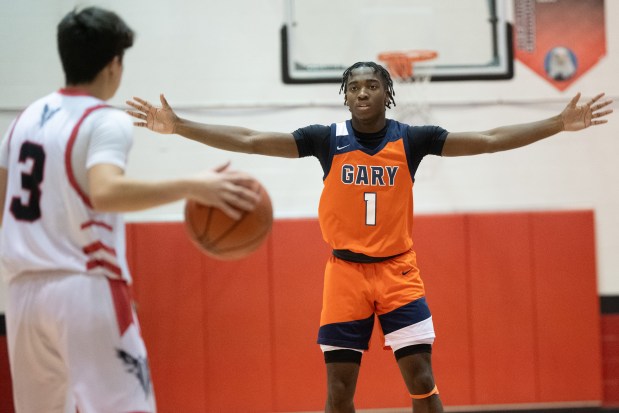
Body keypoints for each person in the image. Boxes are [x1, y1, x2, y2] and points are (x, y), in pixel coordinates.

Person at [126, 61, 613, 413]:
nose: (362, 93)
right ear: (345, 95)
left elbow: (485, 141)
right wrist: (180, 127)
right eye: (354, 86)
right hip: (344, 276)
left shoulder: (412, 140)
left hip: (399, 272)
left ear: (387, 94)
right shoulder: (325, 140)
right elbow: (254, 141)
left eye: (372, 85)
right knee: (339, 393)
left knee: (421, 379)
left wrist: (557, 123)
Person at [0, 7, 259, 413]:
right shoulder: (104, 120)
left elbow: (4, 208)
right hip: (82, 285)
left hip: (20, 293)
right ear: (113, 64)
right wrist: (194, 184)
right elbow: (105, 192)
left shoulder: (23, 120)